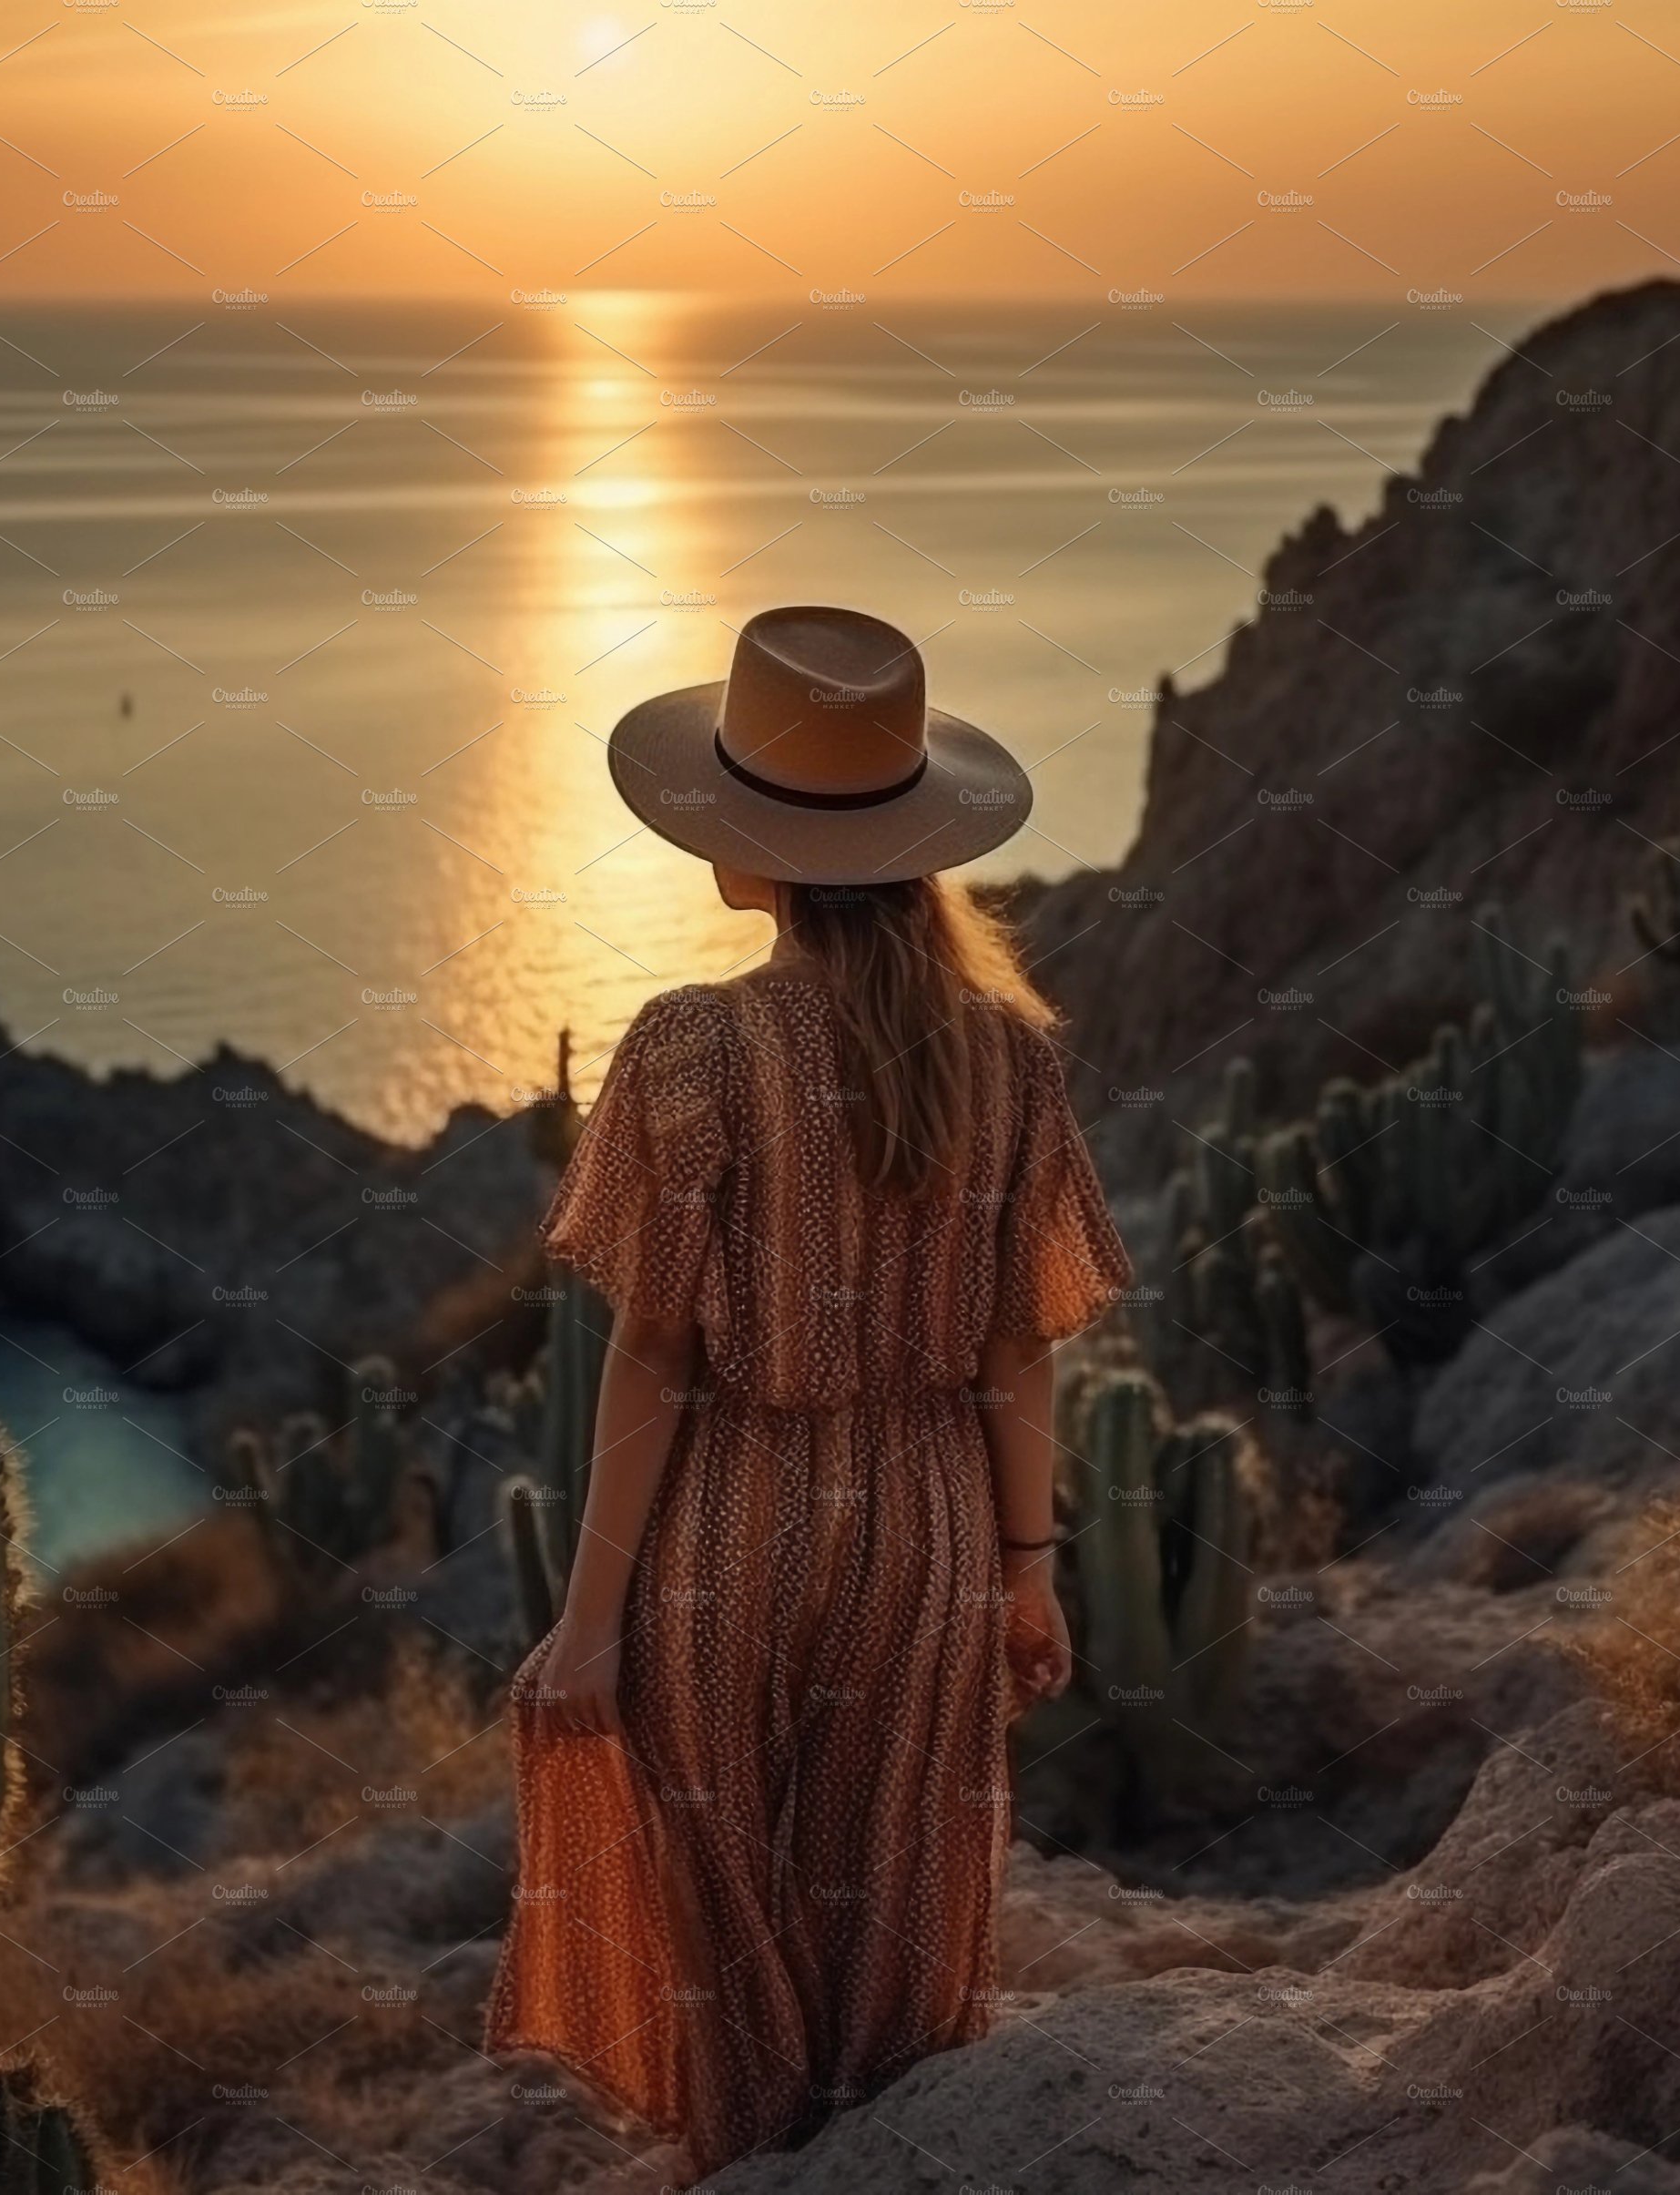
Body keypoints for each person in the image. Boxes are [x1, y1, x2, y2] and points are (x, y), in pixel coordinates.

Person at [484, 605, 1134, 2180]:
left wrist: (587, 1618)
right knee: (891, 1906)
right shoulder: (1013, 1058)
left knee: (733, 1926)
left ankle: (754, 2159)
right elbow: (1017, 1349)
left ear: (747, 842)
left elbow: (651, 1356)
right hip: (925, 1530)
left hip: (736, 1526)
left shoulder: (693, 1044)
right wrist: (1029, 1574)